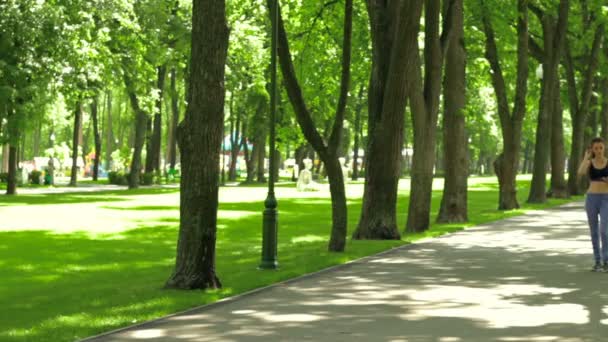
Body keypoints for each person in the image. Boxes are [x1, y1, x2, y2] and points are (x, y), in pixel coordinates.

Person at [578, 137, 608, 272]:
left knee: (604, 230)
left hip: (606, 198)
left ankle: (606, 259)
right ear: (593, 149)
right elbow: (580, 172)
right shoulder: (590, 163)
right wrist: (586, 157)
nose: (599, 151)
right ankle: (597, 261)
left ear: (604, 148)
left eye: (601, 148)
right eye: (596, 148)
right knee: (594, 231)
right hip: (591, 198)